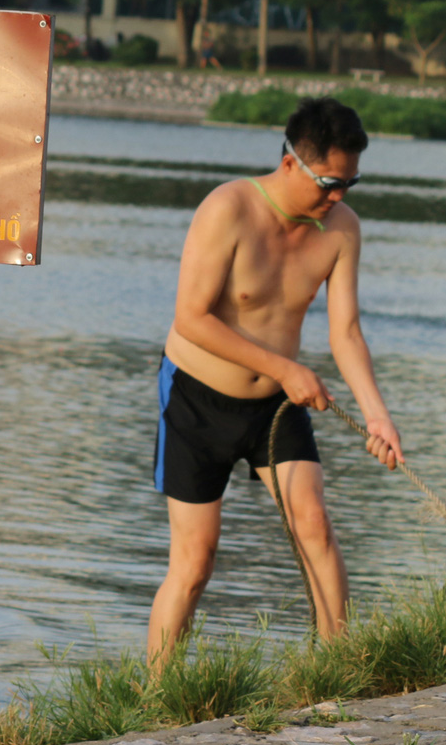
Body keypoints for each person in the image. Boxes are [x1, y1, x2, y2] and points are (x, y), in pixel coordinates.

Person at [148, 97, 404, 662]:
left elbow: (347, 334)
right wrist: (286, 367)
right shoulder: (229, 208)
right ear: (292, 162)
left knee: (314, 523)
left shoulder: (341, 230)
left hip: (274, 410)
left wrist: (378, 416)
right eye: (330, 183)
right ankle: (154, 702)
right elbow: (190, 318)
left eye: (350, 185)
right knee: (194, 563)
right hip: (195, 402)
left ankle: (339, 676)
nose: (338, 197)